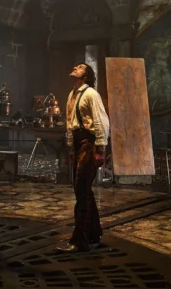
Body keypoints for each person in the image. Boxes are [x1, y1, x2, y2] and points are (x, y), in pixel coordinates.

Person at [57, 63, 110, 253]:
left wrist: (100, 150)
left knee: (81, 190)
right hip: (79, 144)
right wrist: (72, 147)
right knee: (83, 190)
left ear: (86, 76)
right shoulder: (71, 95)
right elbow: (70, 123)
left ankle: (80, 239)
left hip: (90, 143)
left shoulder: (91, 94)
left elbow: (101, 122)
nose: (75, 67)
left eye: (80, 67)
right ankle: (94, 234)